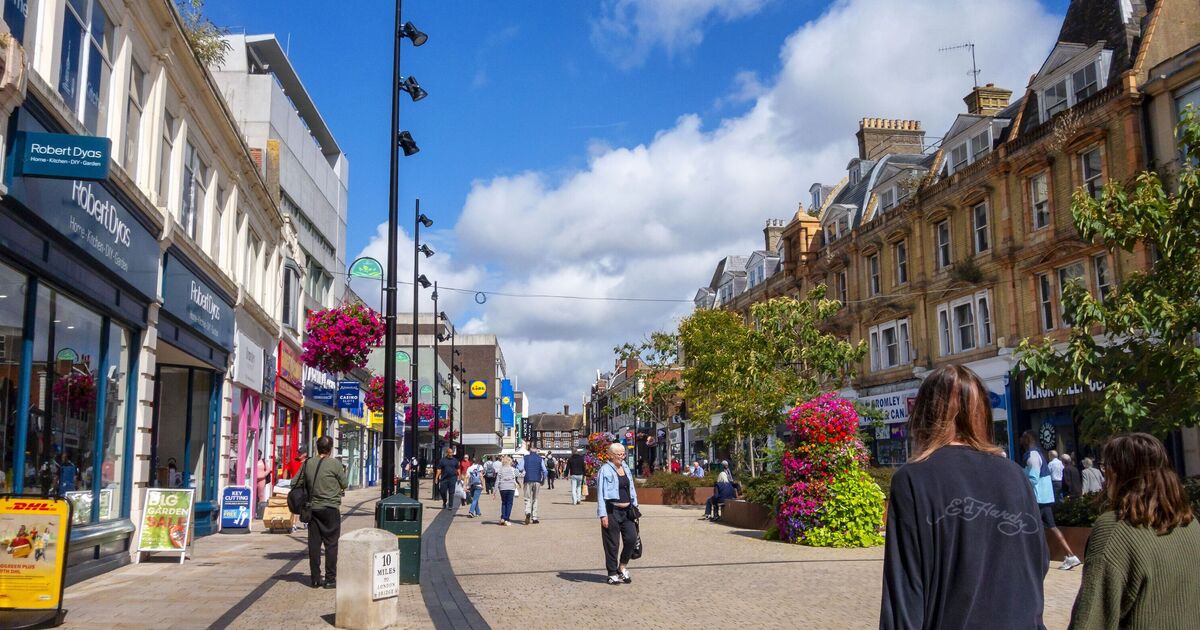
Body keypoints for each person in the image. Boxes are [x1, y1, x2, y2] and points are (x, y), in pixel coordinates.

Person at [881, 365, 1048, 629]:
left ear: (924, 414)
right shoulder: (1015, 475)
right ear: (982, 414)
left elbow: (905, 592)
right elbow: (1038, 563)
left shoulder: (914, 478)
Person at [1068, 433, 1200, 629]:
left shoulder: (1114, 529)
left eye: (1107, 468)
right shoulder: (1190, 524)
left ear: (1116, 473)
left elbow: (1090, 620)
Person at [292, 436, 348, 589]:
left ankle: (315, 579)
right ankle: (330, 579)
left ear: (317, 448)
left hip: (313, 509)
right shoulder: (335, 464)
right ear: (330, 449)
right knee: (331, 544)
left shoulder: (308, 463)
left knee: (314, 545)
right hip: (330, 509)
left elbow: (294, 482)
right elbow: (345, 483)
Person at [1021, 431, 1081, 570]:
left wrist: (1021, 485)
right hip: (1044, 497)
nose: (1020, 440)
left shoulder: (1032, 456)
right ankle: (1070, 555)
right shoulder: (1039, 454)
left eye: (1023, 438)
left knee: (1028, 528)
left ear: (1028, 439)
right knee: (1050, 527)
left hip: (1037, 498)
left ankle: (1036, 559)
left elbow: (1033, 478)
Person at [597, 443, 639, 585]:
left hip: (628, 511)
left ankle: (622, 567)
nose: (622, 457)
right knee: (612, 544)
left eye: (623, 454)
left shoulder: (625, 467)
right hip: (611, 510)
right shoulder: (605, 470)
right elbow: (600, 494)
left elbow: (631, 488)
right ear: (611, 455)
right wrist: (603, 514)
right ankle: (612, 573)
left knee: (631, 539)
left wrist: (635, 506)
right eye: (619, 454)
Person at [521, 444, 546, 524]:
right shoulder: (540, 459)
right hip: (537, 480)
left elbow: (519, 468)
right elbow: (545, 471)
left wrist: (523, 472)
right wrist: (543, 480)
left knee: (527, 498)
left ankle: (527, 512)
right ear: (536, 450)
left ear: (529, 450)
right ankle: (534, 517)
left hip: (528, 479)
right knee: (535, 498)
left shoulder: (525, 458)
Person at [495, 455, 518, 526]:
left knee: (504, 503)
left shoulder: (500, 469)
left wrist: (495, 490)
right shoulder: (513, 469)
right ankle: (506, 519)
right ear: (510, 462)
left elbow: (497, 480)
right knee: (509, 503)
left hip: (502, 487)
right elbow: (518, 474)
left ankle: (503, 517)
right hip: (511, 487)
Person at [255, 450, 270, 519]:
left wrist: (264, 474)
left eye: (259, 454)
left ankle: (260, 511)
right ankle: (253, 510)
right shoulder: (253, 460)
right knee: (253, 495)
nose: (257, 455)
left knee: (261, 495)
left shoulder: (263, 461)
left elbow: (268, 469)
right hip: (253, 480)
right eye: (256, 454)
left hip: (262, 480)